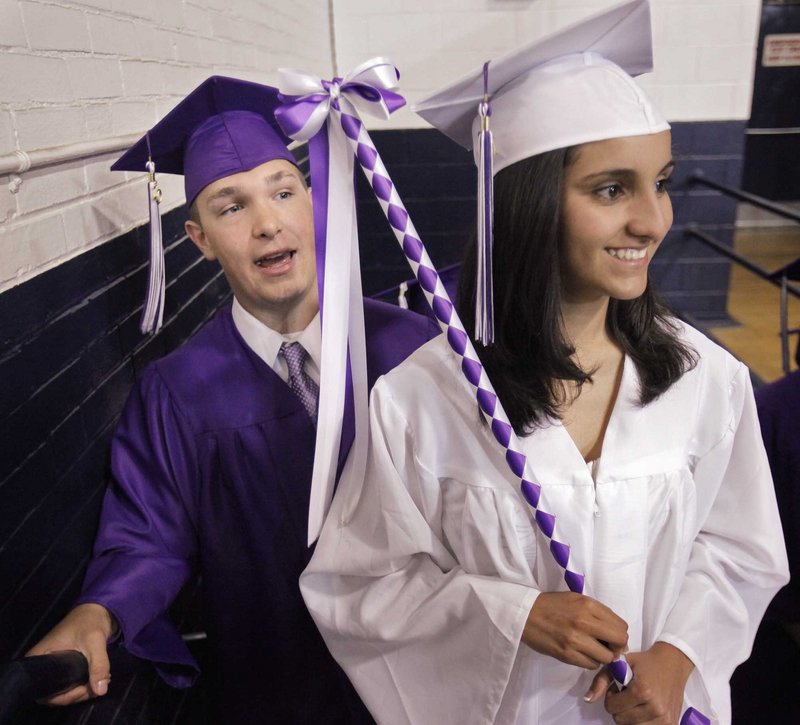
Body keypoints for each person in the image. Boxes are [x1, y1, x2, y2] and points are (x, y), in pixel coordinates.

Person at [300, 2, 789, 723]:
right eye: (612, 188)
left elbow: (739, 550)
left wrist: (680, 654)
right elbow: (360, 586)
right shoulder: (421, 398)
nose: (653, 220)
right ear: (528, 205)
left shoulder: (704, 378)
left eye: (661, 181)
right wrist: (512, 611)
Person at [26, 76, 438, 724]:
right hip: (280, 695)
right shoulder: (175, 394)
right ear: (199, 238)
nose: (268, 222)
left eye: (282, 189)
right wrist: (97, 612)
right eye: (231, 206)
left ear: (313, 199)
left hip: (432, 680)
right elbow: (145, 540)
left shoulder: (414, 347)